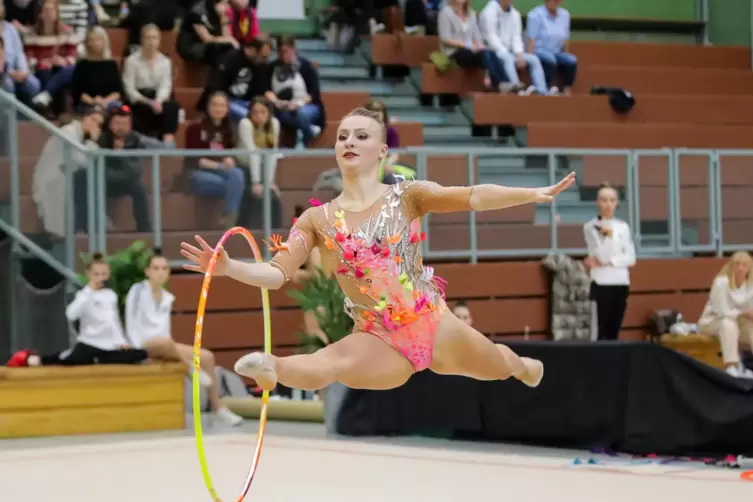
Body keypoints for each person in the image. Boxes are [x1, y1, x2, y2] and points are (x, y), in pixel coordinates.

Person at [181, 107, 576, 393]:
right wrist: (230, 267)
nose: (349, 141)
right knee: (332, 362)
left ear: (383, 151)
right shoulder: (317, 220)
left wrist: (531, 193)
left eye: (361, 135)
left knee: (499, 364)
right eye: (343, 136)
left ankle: (523, 366)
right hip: (377, 336)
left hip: (432, 322)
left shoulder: (408, 195)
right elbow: (276, 272)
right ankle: (272, 368)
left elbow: (473, 196)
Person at [125, 253, 245, 425]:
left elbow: (165, 331)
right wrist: (136, 349)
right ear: (147, 271)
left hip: (166, 345)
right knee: (167, 343)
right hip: (141, 344)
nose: (160, 272)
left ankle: (218, 407)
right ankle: (191, 368)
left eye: (164, 268)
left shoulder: (167, 297)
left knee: (207, 357)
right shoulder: (137, 291)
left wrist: (170, 349)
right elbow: (132, 322)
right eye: (156, 268)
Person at [7, 253, 149, 367]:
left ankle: (98, 360)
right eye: (96, 274)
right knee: (72, 360)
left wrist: (121, 341)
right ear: (89, 274)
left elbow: (114, 321)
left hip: (109, 346)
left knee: (139, 354)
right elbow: (71, 314)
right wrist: (89, 292)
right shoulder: (83, 295)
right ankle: (37, 360)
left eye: (104, 274)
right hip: (89, 343)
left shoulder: (110, 295)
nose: (100, 278)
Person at [583, 184, 636, 341]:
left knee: (615, 330)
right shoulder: (591, 226)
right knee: (600, 332)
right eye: (604, 200)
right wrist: (611, 260)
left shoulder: (623, 227)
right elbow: (601, 254)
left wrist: (611, 262)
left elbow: (631, 257)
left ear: (616, 203)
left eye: (612, 200)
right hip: (601, 282)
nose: (608, 204)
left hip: (621, 282)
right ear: (598, 202)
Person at [698, 251, 753, 379]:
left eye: (744, 265)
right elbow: (721, 312)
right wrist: (743, 312)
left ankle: (747, 366)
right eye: (737, 264)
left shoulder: (750, 286)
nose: (740, 268)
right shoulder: (721, 283)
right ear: (731, 266)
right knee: (728, 324)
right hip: (712, 321)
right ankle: (731, 366)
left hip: (738, 323)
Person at [122, 24, 180, 143]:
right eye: (147, 38)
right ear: (142, 40)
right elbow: (129, 89)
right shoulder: (131, 61)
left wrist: (158, 101)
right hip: (139, 99)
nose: (151, 42)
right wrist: (148, 102)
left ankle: (168, 139)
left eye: (154, 38)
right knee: (137, 110)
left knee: (172, 106)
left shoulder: (165, 61)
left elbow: (166, 85)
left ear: (159, 41)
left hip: (157, 98)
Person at [479, 0, 547, 95]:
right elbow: (490, 37)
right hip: (494, 51)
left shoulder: (515, 14)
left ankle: (542, 91)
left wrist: (519, 53)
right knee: (508, 59)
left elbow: (516, 36)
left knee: (534, 59)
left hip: (511, 52)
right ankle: (518, 90)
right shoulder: (488, 12)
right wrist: (505, 52)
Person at [525, 0, 577, 95]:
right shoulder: (535, 15)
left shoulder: (565, 15)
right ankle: (546, 88)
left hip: (557, 53)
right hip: (539, 51)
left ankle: (567, 89)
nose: (552, 2)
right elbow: (531, 40)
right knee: (550, 60)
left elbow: (565, 41)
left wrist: (565, 54)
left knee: (571, 60)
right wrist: (530, 60)